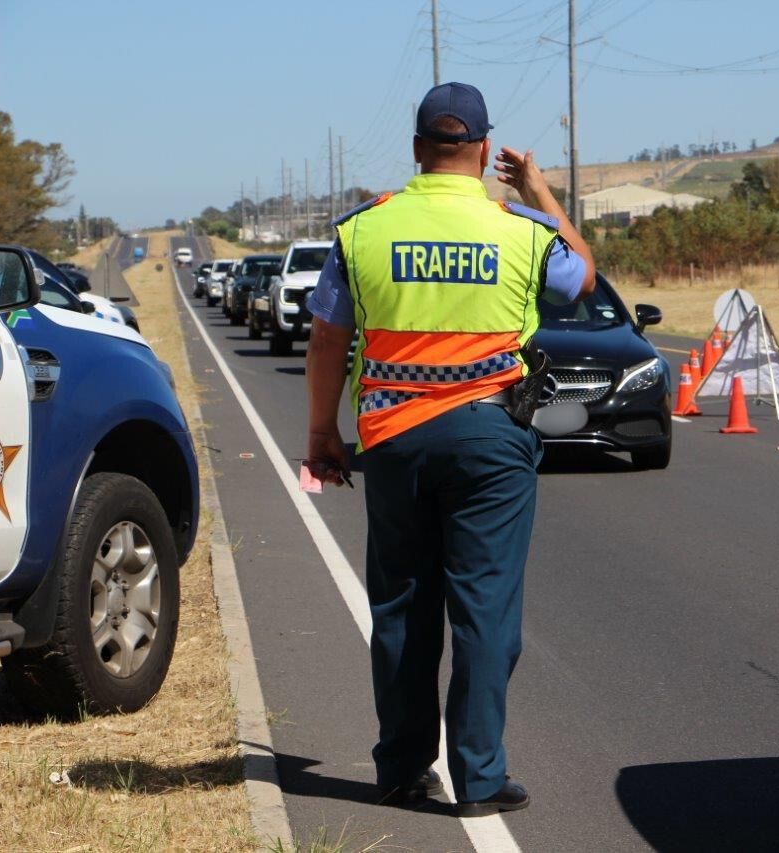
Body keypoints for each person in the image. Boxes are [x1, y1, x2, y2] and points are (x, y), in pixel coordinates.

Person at [304, 81, 595, 816]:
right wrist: (540, 190)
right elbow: (582, 275)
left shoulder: (365, 229)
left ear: (416, 150)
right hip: (491, 436)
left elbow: (329, 339)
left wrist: (321, 432)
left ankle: (403, 767)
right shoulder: (522, 230)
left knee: (402, 603)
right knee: (485, 607)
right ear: (486, 150)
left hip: (394, 440)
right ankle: (479, 774)